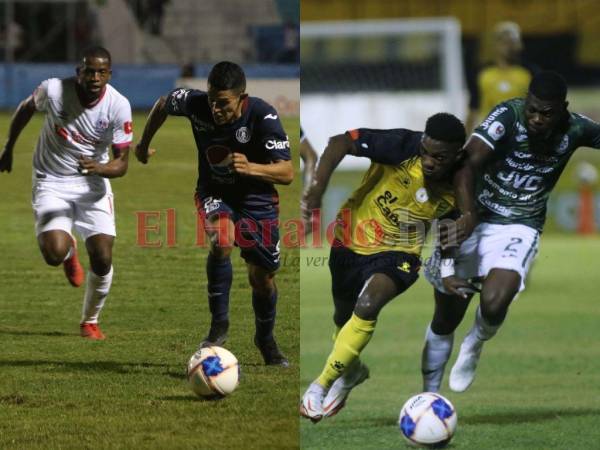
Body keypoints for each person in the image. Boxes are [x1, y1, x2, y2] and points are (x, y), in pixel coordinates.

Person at [421, 71, 600, 394]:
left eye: (546, 113)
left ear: (563, 109)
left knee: (494, 302)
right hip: (476, 217)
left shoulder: (577, 128)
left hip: (521, 224)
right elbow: (466, 163)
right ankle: (429, 394)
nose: (536, 119)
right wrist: (467, 215)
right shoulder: (508, 115)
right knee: (446, 318)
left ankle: (475, 342)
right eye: (532, 109)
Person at [299, 113, 467, 422]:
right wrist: (318, 191)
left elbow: (452, 227)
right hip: (350, 240)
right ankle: (351, 373)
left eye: (439, 157)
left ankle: (319, 386)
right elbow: (340, 142)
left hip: (401, 253)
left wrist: (447, 270)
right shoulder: (402, 145)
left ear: (457, 154)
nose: (429, 162)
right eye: (426, 153)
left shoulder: (462, 181)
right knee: (343, 318)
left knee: (368, 304)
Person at [135, 61, 293, 366]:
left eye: (223, 104)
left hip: (257, 199)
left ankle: (266, 339)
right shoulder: (195, 104)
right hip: (215, 192)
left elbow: (286, 172)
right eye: (212, 101)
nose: (216, 109)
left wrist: (252, 168)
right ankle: (218, 326)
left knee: (262, 278)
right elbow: (163, 103)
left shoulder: (263, 115)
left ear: (241, 98)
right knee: (221, 240)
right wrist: (143, 144)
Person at [0, 46, 133, 340]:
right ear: (79, 72)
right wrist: (9, 147)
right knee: (53, 253)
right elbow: (25, 109)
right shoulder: (54, 90)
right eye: (89, 70)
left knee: (102, 258)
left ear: (109, 74)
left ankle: (90, 321)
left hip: (92, 184)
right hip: (50, 180)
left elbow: (122, 163)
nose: (95, 77)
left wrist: (100, 168)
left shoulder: (118, 105)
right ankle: (69, 250)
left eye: (101, 71)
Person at [465, 21, 534, 133]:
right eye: (505, 42)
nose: (510, 46)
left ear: (520, 45)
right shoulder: (482, 73)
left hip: (520, 134)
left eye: (513, 42)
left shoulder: (529, 72)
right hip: (489, 134)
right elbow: (474, 108)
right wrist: (466, 138)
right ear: (495, 44)